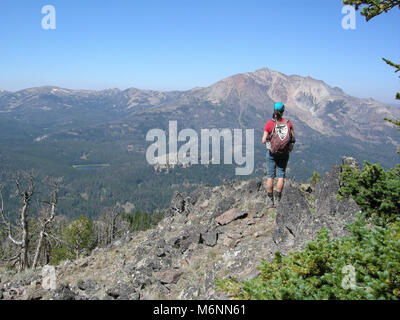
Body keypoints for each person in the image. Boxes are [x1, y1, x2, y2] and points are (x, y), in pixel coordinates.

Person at [262, 102, 295, 208]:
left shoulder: (270, 124)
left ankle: (270, 200)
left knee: (270, 176)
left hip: (271, 153)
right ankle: (278, 199)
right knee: (281, 175)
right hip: (284, 154)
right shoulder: (288, 123)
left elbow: (263, 140)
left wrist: (269, 140)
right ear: (283, 111)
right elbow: (292, 139)